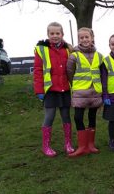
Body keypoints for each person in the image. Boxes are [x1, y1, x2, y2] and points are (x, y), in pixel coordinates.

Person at [33, 22, 75, 157]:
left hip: (65, 89)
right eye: (52, 33)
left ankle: (68, 144)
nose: (55, 36)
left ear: (62, 34)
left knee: (66, 116)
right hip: (50, 90)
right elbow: (38, 71)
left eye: (58, 33)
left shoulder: (68, 50)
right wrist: (39, 90)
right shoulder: (41, 49)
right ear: (48, 34)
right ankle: (46, 146)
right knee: (49, 116)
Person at [67, 27, 104, 157]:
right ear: (79, 40)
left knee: (92, 117)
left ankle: (91, 145)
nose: (84, 39)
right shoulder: (74, 56)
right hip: (80, 92)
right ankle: (82, 146)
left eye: (87, 37)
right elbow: (69, 72)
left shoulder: (99, 56)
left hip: (95, 91)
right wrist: (76, 85)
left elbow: (102, 73)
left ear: (92, 38)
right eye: (81, 38)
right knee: (78, 117)